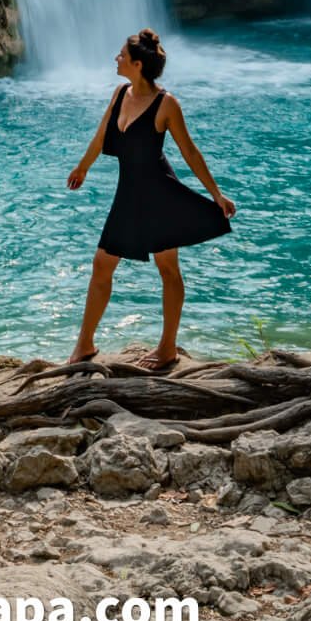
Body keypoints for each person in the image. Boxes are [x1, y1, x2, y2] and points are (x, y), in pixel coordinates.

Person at [66, 27, 235, 370]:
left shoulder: (166, 104)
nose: (116, 59)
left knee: (168, 269)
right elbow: (101, 137)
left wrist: (215, 193)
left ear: (138, 65)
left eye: (121, 57)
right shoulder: (119, 94)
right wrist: (82, 168)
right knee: (102, 264)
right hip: (128, 194)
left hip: (159, 194)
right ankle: (84, 345)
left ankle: (167, 349)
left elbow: (189, 151)